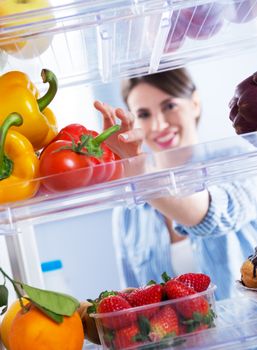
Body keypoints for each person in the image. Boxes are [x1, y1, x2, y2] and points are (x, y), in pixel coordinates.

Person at [94, 68, 257, 300]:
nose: (159, 124)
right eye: (143, 114)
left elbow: (213, 215)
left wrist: (141, 177)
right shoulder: (128, 213)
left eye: (169, 106)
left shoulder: (241, 157)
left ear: (195, 103)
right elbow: (133, 301)